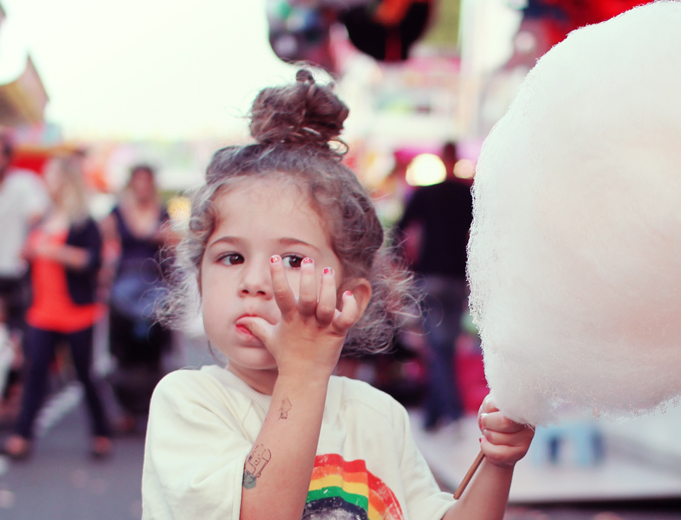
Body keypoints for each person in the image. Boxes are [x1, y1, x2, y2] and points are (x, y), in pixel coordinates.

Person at [142, 70, 534, 520]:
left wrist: (498, 463)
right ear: (199, 281)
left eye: (291, 260)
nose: (254, 281)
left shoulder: (376, 416)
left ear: (350, 297)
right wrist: (303, 369)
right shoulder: (191, 402)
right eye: (230, 258)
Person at [3, 154, 112, 459]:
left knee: (85, 375)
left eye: (51, 178)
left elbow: (92, 261)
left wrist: (51, 250)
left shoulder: (83, 223)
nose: (46, 185)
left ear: (65, 182)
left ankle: (101, 431)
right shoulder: (41, 219)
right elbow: (27, 256)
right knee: (34, 373)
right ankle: (22, 437)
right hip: (42, 311)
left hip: (77, 313)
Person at [395, 142, 473, 431]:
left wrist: (405, 266)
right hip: (455, 279)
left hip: (429, 278)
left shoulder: (426, 193)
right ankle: (440, 414)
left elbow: (399, 231)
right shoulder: (468, 195)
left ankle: (446, 414)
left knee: (438, 347)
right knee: (443, 346)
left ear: (442, 159)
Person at [101, 164, 174, 433]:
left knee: (154, 350)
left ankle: (151, 408)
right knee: (124, 353)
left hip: (153, 284)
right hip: (124, 288)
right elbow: (104, 244)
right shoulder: (117, 211)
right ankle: (126, 410)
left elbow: (174, 245)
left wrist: (165, 238)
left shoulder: (162, 210)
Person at [0, 134, 49, 345]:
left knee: (17, 337)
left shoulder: (23, 183)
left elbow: (40, 215)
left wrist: (30, 242)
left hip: (15, 274)